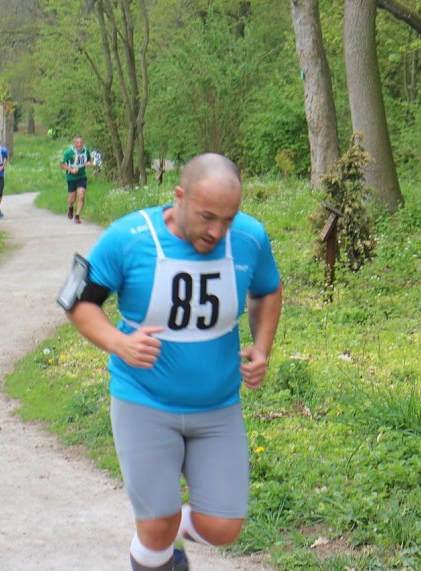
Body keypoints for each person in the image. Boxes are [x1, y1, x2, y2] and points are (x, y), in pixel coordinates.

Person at [60, 153, 282, 570]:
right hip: (144, 402)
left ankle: (169, 533)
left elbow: (268, 289)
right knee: (155, 526)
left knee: (223, 527)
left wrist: (262, 347)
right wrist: (117, 342)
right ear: (179, 196)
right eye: (207, 217)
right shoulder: (129, 237)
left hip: (217, 408)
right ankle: (161, 543)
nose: (217, 231)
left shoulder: (250, 238)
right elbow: (76, 302)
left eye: (228, 219)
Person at [59, 135, 92, 224]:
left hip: (82, 177)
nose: (79, 144)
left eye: (81, 142)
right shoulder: (68, 152)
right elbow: (61, 164)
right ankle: (70, 208)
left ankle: (77, 216)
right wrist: (71, 170)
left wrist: (89, 163)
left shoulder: (86, 151)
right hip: (71, 177)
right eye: (77, 142)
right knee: (72, 198)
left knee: (81, 196)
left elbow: (89, 161)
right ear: (74, 143)